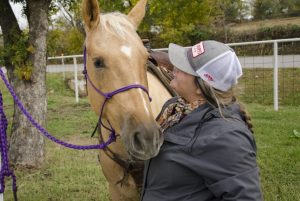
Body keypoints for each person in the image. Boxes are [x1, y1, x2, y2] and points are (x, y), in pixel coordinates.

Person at [140, 40, 263, 201]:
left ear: (201, 85)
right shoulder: (177, 108)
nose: (173, 67)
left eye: (183, 67)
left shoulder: (226, 137)